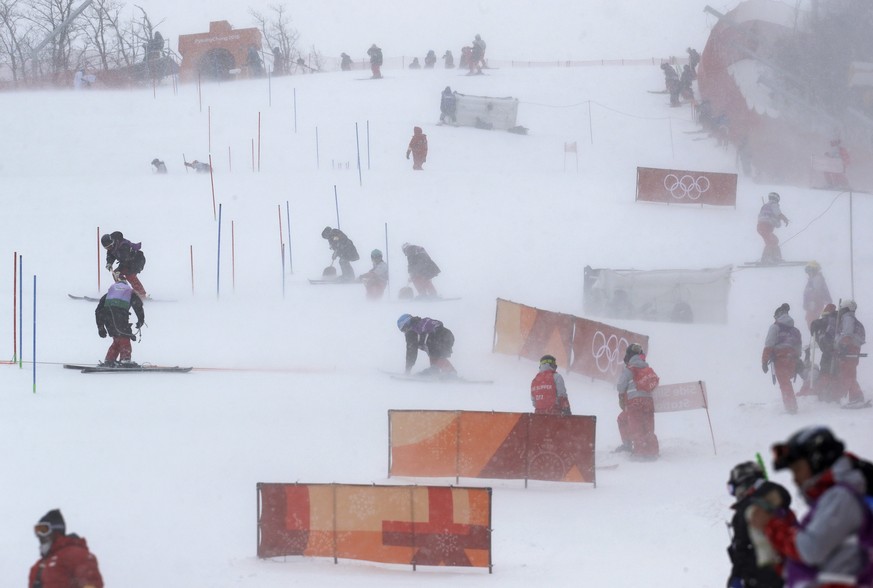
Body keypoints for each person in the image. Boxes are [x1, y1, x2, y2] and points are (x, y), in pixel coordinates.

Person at [749, 426, 871, 587]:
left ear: (817, 461)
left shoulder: (841, 497)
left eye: (798, 469)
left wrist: (771, 526)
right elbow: (814, 564)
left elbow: (811, 549)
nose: (795, 479)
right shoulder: (828, 500)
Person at [726, 461, 792, 588]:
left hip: (762, 579)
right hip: (794, 572)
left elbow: (741, 550)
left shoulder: (745, 512)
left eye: (732, 489)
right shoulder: (779, 501)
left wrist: (736, 576)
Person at [29, 509, 104, 588]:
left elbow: (91, 583)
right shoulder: (38, 567)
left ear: (55, 531)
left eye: (43, 529)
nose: (40, 535)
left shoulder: (76, 555)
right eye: (37, 530)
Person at [615, 343, 660, 460]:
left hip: (634, 403)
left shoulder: (629, 369)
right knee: (648, 427)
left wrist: (622, 395)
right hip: (649, 402)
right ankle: (652, 451)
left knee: (636, 427)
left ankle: (639, 452)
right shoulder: (648, 369)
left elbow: (620, 386)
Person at [95, 277, 145, 368]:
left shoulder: (110, 293)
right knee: (124, 337)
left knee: (118, 338)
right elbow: (138, 305)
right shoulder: (129, 291)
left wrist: (100, 327)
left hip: (106, 315)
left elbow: (98, 310)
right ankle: (125, 360)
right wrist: (141, 320)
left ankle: (109, 360)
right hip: (119, 315)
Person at [762, 303, 802, 414]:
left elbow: (769, 344)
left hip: (780, 359)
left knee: (784, 383)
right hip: (792, 358)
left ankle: (791, 407)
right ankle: (791, 405)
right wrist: (797, 358)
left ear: (778, 315)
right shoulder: (795, 330)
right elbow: (798, 347)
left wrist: (764, 361)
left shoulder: (775, 327)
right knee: (787, 382)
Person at [803, 303, 839, 401]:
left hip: (829, 352)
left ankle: (823, 394)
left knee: (825, 372)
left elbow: (821, 324)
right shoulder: (838, 321)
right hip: (838, 353)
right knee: (836, 374)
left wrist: (815, 324)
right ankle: (834, 395)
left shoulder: (829, 320)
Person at [835, 299, 866, 406]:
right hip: (853, 349)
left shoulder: (847, 318)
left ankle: (856, 397)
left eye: (841, 309)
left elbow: (847, 333)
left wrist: (843, 345)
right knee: (851, 373)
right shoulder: (853, 319)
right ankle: (856, 396)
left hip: (848, 349)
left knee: (847, 374)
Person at [101, 230, 147, 299]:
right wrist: (109, 263)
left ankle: (141, 295)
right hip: (127, 262)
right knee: (116, 274)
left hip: (137, 260)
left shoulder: (123, 246)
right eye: (106, 248)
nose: (109, 249)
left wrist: (119, 269)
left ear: (113, 242)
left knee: (130, 275)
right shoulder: (112, 247)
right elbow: (110, 255)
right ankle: (124, 291)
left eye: (109, 246)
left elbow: (125, 260)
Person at [757, 192, 790, 264]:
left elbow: (763, 216)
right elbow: (778, 214)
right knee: (771, 241)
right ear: (777, 199)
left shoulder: (765, 206)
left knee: (774, 240)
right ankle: (766, 258)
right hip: (765, 227)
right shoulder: (774, 205)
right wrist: (785, 219)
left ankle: (775, 257)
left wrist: (775, 221)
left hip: (760, 227)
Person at [802, 261, 832, 329]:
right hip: (814, 308)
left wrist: (812, 305)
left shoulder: (817, 280)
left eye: (810, 271)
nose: (808, 273)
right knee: (812, 323)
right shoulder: (813, 280)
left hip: (815, 308)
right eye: (807, 271)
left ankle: (816, 336)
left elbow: (816, 294)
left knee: (813, 325)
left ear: (814, 270)